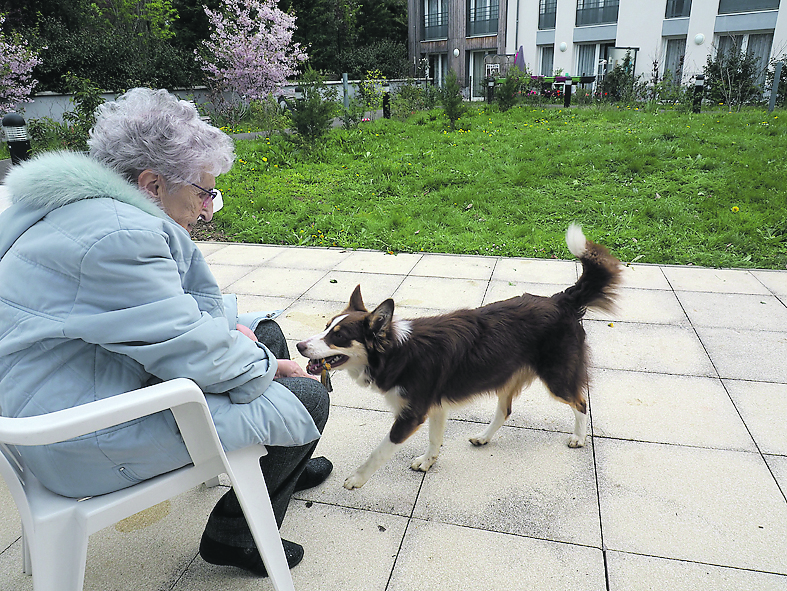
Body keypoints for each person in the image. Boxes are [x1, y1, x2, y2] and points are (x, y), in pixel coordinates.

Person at [0, 87, 331, 577]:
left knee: (266, 333)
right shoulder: (118, 237)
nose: (208, 209)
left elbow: (152, 315)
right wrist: (272, 366)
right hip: (78, 433)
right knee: (305, 396)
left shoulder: (74, 206)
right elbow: (199, 356)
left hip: (67, 382)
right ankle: (235, 536)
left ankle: (279, 467)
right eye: (203, 192)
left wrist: (249, 340)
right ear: (152, 184)